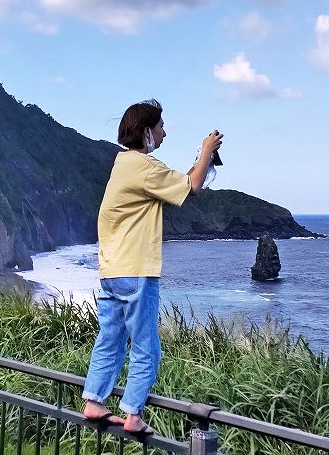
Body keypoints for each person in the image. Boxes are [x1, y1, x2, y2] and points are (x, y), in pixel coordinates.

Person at [81, 99, 222, 436]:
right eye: (160, 126)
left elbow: (182, 182)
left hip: (112, 271)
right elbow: (192, 187)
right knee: (146, 344)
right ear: (146, 131)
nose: (164, 132)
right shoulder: (144, 166)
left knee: (111, 337)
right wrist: (206, 149)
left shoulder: (124, 165)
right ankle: (133, 413)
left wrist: (202, 161)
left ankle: (94, 401)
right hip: (137, 269)